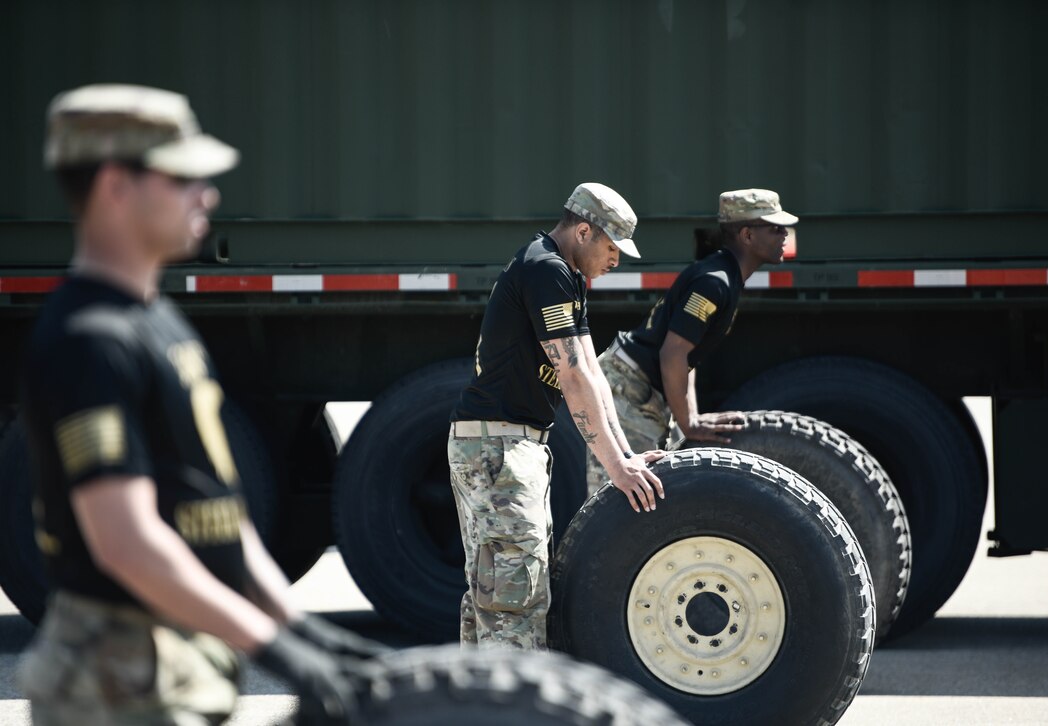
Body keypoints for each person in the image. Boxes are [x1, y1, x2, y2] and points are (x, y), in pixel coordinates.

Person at [17, 84, 383, 725]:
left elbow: (215, 510)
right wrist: (273, 647)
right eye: (182, 177)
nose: (206, 195)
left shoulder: (156, 321)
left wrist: (300, 628)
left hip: (172, 655)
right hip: (112, 674)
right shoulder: (86, 340)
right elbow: (124, 542)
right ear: (115, 186)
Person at [449, 182, 667, 650]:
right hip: (499, 448)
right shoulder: (546, 269)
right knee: (513, 602)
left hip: (509, 446)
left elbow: (592, 373)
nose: (616, 261)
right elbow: (570, 377)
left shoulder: (563, 274)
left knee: (497, 596)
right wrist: (616, 468)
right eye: (612, 248)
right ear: (584, 231)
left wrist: (625, 455)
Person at [585, 188, 798, 496]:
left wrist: (692, 417)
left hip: (643, 390)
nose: (784, 234)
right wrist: (689, 424)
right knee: (618, 503)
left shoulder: (725, 276)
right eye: (775, 228)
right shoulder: (715, 282)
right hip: (629, 391)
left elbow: (687, 357)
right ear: (748, 235)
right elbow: (673, 354)